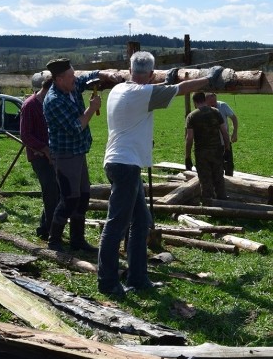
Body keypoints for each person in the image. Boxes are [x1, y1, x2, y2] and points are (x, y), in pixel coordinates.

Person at [97, 53, 227, 299]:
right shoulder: (141, 94)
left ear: (130, 68)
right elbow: (181, 88)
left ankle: (137, 278)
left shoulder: (119, 89)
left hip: (123, 163)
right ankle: (107, 282)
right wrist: (210, 77)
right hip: (125, 165)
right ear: (150, 72)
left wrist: (163, 80)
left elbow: (154, 88)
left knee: (141, 222)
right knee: (116, 225)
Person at [42, 58, 122, 253]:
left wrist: (107, 75)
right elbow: (76, 127)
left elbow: (89, 77)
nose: (74, 80)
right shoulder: (54, 101)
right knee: (69, 198)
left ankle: (77, 240)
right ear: (59, 79)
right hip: (65, 154)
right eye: (70, 77)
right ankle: (54, 240)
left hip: (78, 152)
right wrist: (92, 109)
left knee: (83, 196)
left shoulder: (70, 86)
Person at [20, 71, 59, 241]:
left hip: (53, 154)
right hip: (39, 156)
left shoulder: (50, 104)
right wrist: (44, 149)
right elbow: (26, 135)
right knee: (51, 192)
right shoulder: (29, 105)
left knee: (55, 192)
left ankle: (44, 228)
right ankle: (51, 232)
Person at [185, 91, 230, 205]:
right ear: (204, 100)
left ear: (195, 102)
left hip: (201, 153)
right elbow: (224, 132)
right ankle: (223, 201)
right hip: (216, 150)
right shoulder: (216, 112)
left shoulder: (192, 116)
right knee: (219, 177)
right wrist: (227, 149)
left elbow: (189, 138)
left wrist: (187, 156)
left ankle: (208, 204)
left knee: (205, 179)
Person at [206, 93, 238, 176]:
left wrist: (234, 132)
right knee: (215, 167)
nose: (214, 104)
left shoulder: (222, 105)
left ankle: (230, 185)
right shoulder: (203, 109)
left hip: (225, 142)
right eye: (211, 102)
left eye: (215, 101)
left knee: (228, 165)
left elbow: (234, 118)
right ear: (206, 101)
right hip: (211, 144)